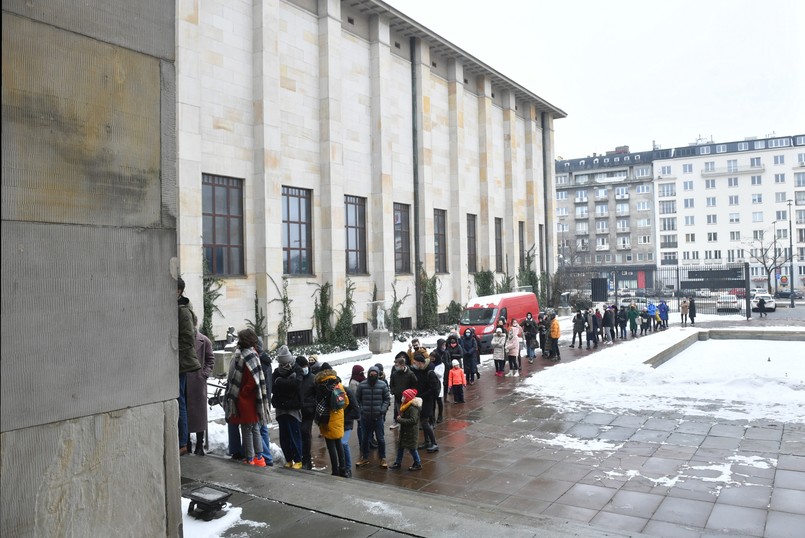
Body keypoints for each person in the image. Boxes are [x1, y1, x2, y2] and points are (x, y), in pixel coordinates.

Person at [223, 328, 271, 467]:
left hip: (246, 400)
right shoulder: (253, 354)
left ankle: (250, 458)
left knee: (247, 429)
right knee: (254, 428)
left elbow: (251, 380)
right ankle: (259, 457)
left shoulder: (246, 355)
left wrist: (242, 392)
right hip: (253, 400)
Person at [177, 277, 201, 456]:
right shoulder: (178, 309)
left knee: (180, 400)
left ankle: (182, 441)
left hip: (180, 363)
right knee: (179, 399)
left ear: (178, 291)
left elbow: (187, 338)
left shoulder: (183, 311)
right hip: (178, 362)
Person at [271, 345, 303, 469]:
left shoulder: (297, 369)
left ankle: (298, 459)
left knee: (294, 434)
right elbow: (274, 387)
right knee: (284, 436)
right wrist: (287, 383)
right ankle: (288, 459)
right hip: (280, 408)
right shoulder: (276, 372)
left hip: (293, 408)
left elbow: (296, 385)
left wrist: (280, 382)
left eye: (284, 362)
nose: (283, 365)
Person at [314, 365, 348, 477]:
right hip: (338, 418)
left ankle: (335, 470)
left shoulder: (320, 386)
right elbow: (346, 402)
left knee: (331, 446)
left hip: (326, 419)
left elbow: (318, 404)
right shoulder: (338, 384)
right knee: (339, 444)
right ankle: (343, 469)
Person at [186, 324, 215, 456]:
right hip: (185, 383)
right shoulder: (182, 339)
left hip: (198, 383)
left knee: (199, 415)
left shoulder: (204, 341)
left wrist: (204, 374)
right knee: (185, 414)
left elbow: (210, 360)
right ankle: (186, 444)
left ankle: (199, 445)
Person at [355, 366, 390, 469]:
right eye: (371, 374)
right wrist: (361, 409)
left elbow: (387, 399)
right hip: (365, 417)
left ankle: (382, 458)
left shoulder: (382, 385)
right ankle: (364, 458)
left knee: (380, 439)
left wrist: (382, 410)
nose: (373, 376)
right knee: (365, 438)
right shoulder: (362, 385)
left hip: (378, 417)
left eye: (375, 374)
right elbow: (357, 399)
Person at [411, 353, 440, 452]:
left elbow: (433, 388)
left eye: (415, 363)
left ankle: (434, 443)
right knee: (423, 422)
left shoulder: (430, 372)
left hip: (427, 400)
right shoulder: (419, 371)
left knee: (425, 422)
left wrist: (422, 395)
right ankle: (427, 442)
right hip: (421, 400)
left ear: (420, 363)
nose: (414, 364)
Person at [389, 388, 423, 471]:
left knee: (412, 449)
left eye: (404, 396)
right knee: (401, 447)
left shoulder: (412, 408)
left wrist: (400, 420)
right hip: (405, 431)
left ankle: (417, 463)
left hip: (410, 432)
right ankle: (398, 462)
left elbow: (413, 420)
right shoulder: (406, 405)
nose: (402, 398)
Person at [297, 356, 317, 470]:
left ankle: (307, 460)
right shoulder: (297, 378)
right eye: (302, 366)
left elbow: (317, 395)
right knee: (298, 434)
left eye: (306, 366)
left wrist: (311, 405)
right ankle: (299, 457)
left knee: (305, 433)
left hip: (309, 412)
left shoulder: (313, 379)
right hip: (298, 411)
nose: (305, 368)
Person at [389, 353, 417, 429]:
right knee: (399, 413)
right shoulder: (395, 374)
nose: (396, 367)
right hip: (398, 398)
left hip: (407, 399)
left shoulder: (410, 374)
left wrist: (410, 393)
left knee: (407, 415)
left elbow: (415, 384)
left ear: (402, 365)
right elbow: (391, 384)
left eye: (397, 365)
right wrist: (393, 390)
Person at [429, 339, 447, 423]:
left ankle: (440, 415)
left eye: (433, 358)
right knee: (432, 402)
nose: (431, 360)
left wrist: (433, 371)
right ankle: (432, 416)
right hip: (432, 384)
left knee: (439, 401)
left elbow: (440, 374)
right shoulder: (431, 364)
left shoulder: (441, 364)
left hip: (439, 384)